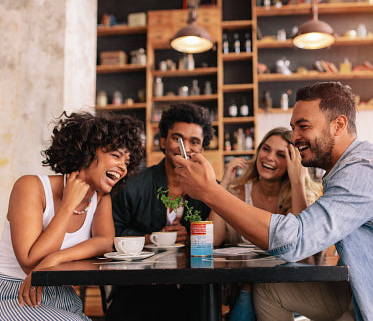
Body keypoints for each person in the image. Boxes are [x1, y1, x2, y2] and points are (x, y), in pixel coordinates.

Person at [173, 81, 373, 320]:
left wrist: (211, 192)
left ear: (338, 125)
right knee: (268, 290)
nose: (294, 138)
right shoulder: (346, 169)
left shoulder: (363, 172)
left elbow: (295, 241)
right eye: (293, 128)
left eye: (303, 126)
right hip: (370, 290)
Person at [0, 111, 144, 321]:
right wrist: (68, 205)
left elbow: (104, 242)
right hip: (15, 294)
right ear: (86, 151)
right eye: (115, 155)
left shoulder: (101, 198)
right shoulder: (31, 187)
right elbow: (31, 264)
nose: (123, 166)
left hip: (62, 295)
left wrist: (56, 257)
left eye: (127, 161)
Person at [106, 102, 215, 321]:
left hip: (193, 288)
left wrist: (195, 236)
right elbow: (109, 233)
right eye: (177, 138)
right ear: (163, 141)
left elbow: (221, 236)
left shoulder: (212, 191)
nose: (185, 147)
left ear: (202, 149)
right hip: (139, 288)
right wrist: (150, 239)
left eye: (194, 142)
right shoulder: (133, 186)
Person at [209, 127, 322, 320]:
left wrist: (298, 181)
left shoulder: (302, 197)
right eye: (266, 149)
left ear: (293, 162)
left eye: (280, 154)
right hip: (245, 286)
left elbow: (304, 256)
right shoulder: (236, 194)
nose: (269, 157)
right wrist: (223, 186)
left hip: (289, 289)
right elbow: (212, 239)